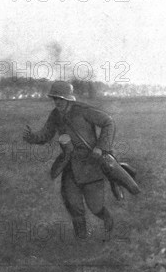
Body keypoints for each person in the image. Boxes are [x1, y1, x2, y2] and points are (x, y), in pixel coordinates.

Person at [23, 80, 115, 240]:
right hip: (69, 165)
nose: (57, 102)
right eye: (54, 98)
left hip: (91, 164)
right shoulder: (55, 115)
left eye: (60, 98)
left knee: (95, 206)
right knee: (72, 204)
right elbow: (46, 134)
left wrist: (101, 147)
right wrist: (32, 138)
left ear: (68, 99)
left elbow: (108, 122)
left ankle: (106, 219)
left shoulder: (83, 110)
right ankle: (81, 238)